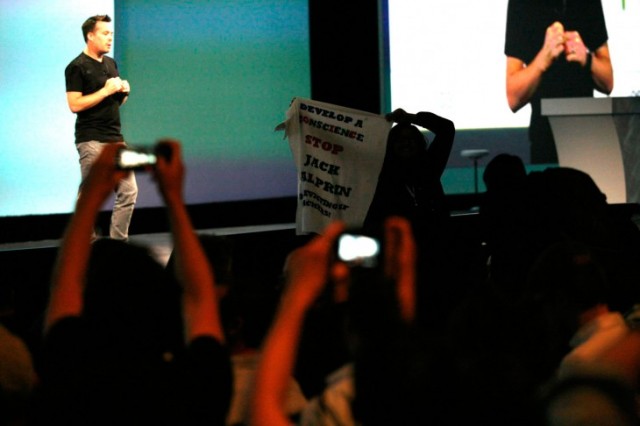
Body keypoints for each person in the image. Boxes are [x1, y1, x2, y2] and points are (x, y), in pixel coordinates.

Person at [34, 141, 232, 425]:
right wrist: (174, 197)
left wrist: (90, 197)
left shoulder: (69, 377)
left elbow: (65, 286)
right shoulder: (198, 388)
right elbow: (199, 297)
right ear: (163, 303)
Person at [505, 0, 614, 164]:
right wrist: (543, 58)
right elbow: (513, 97)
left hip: (588, 139)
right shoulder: (522, 5)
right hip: (545, 139)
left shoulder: (588, 4)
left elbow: (608, 82)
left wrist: (587, 59)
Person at [65, 14, 137, 240]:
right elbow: (74, 105)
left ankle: (117, 246)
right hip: (91, 139)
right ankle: (88, 246)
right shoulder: (77, 67)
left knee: (128, 191)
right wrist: (105, 90)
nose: (110, 39)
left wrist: (123, 93)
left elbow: (114, 103)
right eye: (105, 34)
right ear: (90, 36)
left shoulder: (110, 63)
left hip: (115, 138)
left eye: (111, 34)